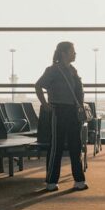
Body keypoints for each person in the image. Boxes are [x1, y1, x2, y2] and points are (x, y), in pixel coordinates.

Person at [35, 41, 88, 192]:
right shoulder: (53, 70)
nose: (75, 53)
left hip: (73, 112)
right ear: (64, 53)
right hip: (59, 111)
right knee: (56, 147)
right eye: (72, 51)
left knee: (75, 146)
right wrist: (45, 104)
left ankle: (79, 180)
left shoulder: (73, 70)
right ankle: (51, 181)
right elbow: (38, 86)